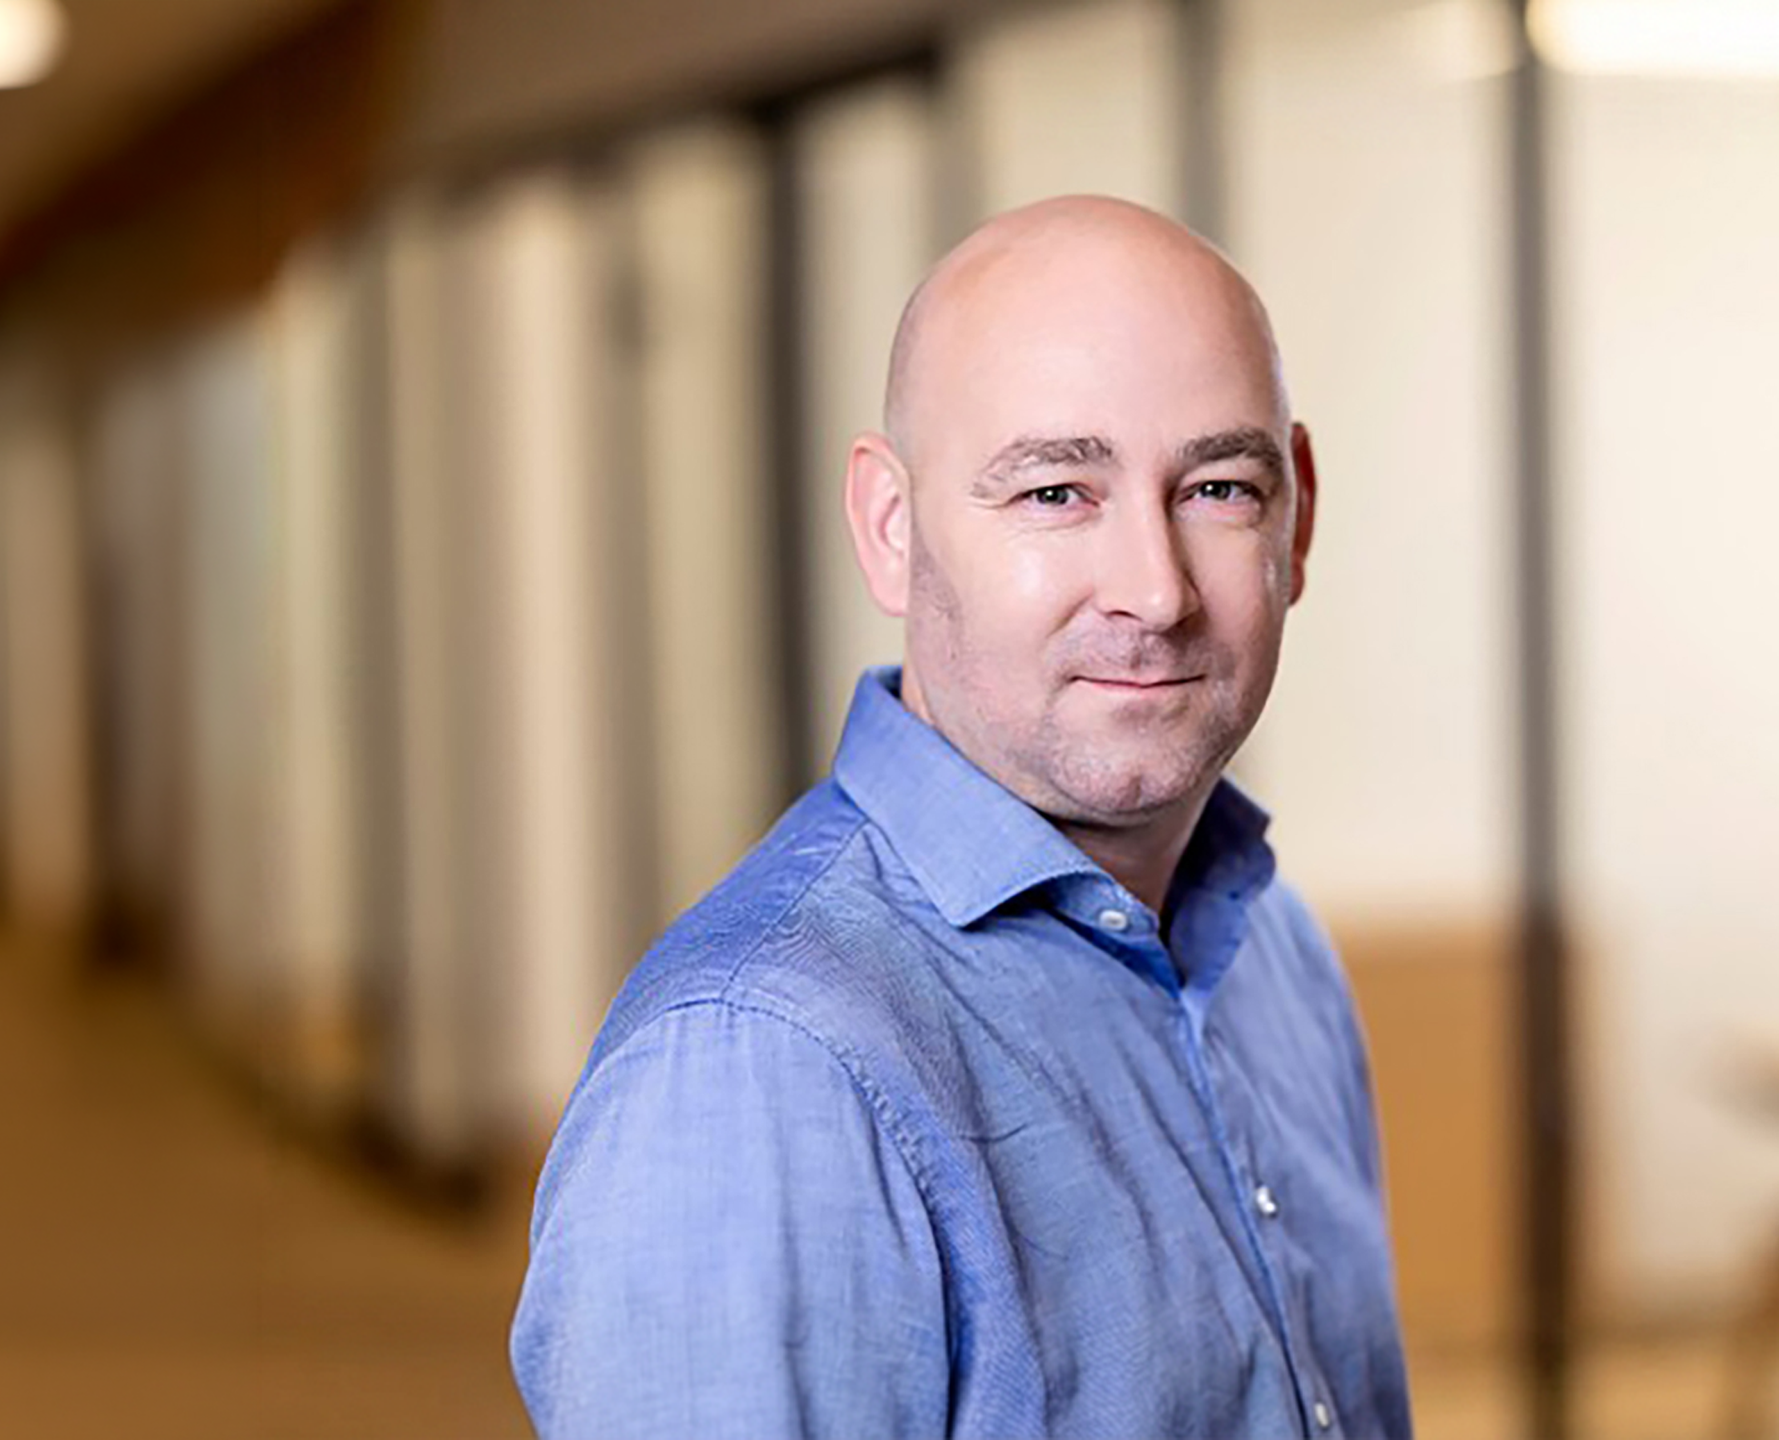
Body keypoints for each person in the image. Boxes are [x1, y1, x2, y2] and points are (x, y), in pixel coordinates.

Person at [509, 195, 1411, 1438]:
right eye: (1053, 493)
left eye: (1214, 487)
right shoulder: (762, 1067)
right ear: (891, 528)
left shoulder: (1280, 964)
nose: (1152, 591)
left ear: (1294, 514)